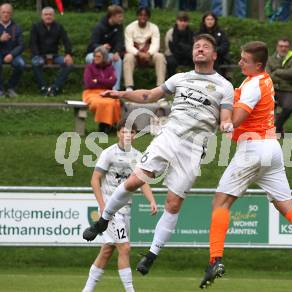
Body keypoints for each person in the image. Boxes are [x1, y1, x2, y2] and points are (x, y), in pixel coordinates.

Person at [82, 34, 235, 278]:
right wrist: (122, 94)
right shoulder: (181, 78)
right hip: (169, 136)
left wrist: (227, 127)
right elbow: (149, 96)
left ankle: (152, 254)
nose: (200, 49)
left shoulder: (224, 86)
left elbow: (226, 117)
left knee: (173, 203)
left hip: (194, 148)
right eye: (196, 46)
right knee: (133, 181)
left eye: (206, 47)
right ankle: (103, 220)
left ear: (214, 55)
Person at [199, 41, 292, 290]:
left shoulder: (253, 85)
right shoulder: (262, 80)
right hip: (271, 149)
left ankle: (215, 260)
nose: (239, 63)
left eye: (244, 60)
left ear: (257, 64)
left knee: (221, 202)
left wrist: (222, 122)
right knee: (287, 206)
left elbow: (236, 119)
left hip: (253, 150)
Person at [82, 120, 158, 292]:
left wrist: (151, 200)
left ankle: (87, 290)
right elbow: (95, 179)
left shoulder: (139, 157)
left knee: (107, 250)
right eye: (124, 132)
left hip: (126, 210)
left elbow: (143, 181)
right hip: (111, 210)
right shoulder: (108, 153)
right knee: (125, 248)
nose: (127, 136)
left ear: (135, 135)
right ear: (118, 133)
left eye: (131, 133)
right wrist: (102, 206)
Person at [30, 7, 74, 97]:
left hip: (55, 55)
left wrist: (68, 54)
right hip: (40, 55)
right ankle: (43, 88)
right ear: (42, 16)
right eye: (46, 14)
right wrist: (37, 56)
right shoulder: (36, 26)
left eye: (50, 14)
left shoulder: (59, 26)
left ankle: (55, 88)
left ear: (54, 16)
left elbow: (66, 41)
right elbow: (32, 43)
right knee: (35, 63)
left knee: (69, 64)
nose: (48, 16)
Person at [124, 7, 166, 90]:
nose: (143, 17)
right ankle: (129, 87)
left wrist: (149, 53)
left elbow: (155, 45)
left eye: (145, 15)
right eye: (140, 15)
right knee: (128, 57)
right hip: (135, 55)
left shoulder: (154, 28)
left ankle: (160, 88)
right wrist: (139, 54)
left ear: (148, 17)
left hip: (149, 55)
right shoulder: (130, 28)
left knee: (160, 57)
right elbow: (129, 46)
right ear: (137, 16)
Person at [86, 5, 124, 90]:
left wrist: (117, 52)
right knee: (89, 58)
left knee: (118, 60)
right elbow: (92, 44)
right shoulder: (99, 26)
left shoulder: (119, 26)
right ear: (112, 16)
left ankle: (115, 89)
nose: (121, 18)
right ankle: (94, 85)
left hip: (109, 54)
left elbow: (119, 41)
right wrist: (101, 47)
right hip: (94, 53)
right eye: (119, 16)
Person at [266, 38, 292, 135]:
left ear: (289, 48)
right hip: (273, 89)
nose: (283, 49)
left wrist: (276, 72)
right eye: (281, 46)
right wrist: (283, 76)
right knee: (265, 106)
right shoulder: (269, 59)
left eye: (286, 46)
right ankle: (272, 129)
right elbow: (268, 75)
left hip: (289, 89)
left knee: (288, 107)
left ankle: (277, 127)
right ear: (277, 47)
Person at [83, 46, 119, 133]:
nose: (96, 58)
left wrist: (97, 80)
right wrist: (106, 81)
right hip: (91, 93)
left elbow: (113, 82)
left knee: (115, 102)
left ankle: (108, 126)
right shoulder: (89, 68)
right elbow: (89, 83)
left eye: (98, 57)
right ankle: (105, 126)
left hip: (107, 92)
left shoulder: (110, 68)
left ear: (104, 58)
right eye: (95, 56)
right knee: (101, 102)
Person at [0, 3, 24, 98]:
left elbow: (21, 45)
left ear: (11, 14)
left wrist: (12, 55)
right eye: (3, 12)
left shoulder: (16, 27)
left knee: (21, 64)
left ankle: (11, 88)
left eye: (8, 12)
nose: (6, 14)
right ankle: (0, 90)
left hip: (12, 54)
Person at [198, 12, 230, 77]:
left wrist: (213, 51)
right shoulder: (199, 33)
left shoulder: (221, 32)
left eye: (212, 19)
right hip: (202, 57)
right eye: (208, 19)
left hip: (219, 57)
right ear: (204, 21)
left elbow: (225, 45)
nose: (210, 21)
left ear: (215, 21)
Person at [164, 11, 194, 78]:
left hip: (187, 55)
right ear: (177, 21)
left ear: (187, 22)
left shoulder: (191, 33)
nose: (183, 23)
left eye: (185, 21)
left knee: (196, 60)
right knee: (171, 62)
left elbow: (192, 47)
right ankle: (170, 82)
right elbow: (168, 48)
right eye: (180, 21)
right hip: (173, 54)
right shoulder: (170, 32)